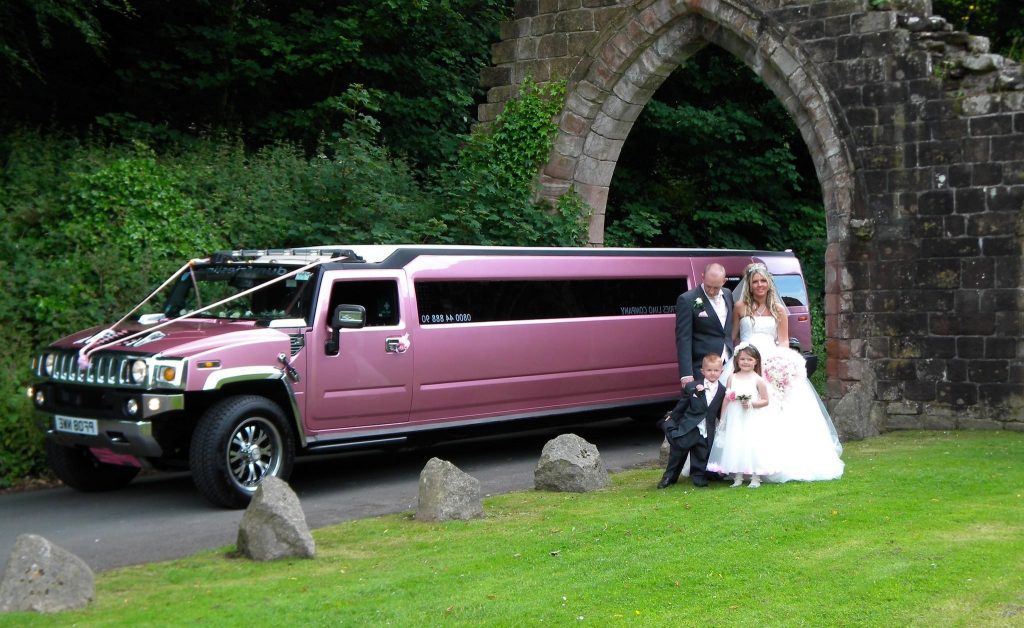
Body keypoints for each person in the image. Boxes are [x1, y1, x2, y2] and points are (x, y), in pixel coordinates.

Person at [731, 263, 844, 482]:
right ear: (749, 284)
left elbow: (783, 340)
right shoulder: (740, 307)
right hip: (745, 361)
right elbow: (733, 336)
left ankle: (775, 461)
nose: (759, 285)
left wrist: (781, 365)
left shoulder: (779, 310)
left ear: (769, 283)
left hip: (770, 361)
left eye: (763, 280)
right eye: (755, 281)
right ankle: (741, 462)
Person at [706, 344, 780, 487]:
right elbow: (727, 398)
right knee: (736, 443)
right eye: (743, 359)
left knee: (751, 444)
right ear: (737, 360)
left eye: (749, 359)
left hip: (751, 417)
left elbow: (765, 400)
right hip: (735, 417)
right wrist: (723, 418)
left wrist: (752, 403)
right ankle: (737, 476)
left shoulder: (758, 380)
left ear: (756, 361)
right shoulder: (732, 378)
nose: (746, 362)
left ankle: (755, 476)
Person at [657, 353, 726, 489]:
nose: (712, 373)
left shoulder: (722, 390)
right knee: (678, 452)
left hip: (707, 429)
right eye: (709, 370)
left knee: (702, 453)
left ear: (721, 371)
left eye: (716, 370)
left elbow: (718, 411)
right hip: (689, 426)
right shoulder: (692, 386)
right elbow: (682, 406)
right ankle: (669, 477)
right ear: (703, 371)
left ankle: (698, 477)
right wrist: (673, 417)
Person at [676, 262, 735, 384]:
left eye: (716, 287)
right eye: (708, 286)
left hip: (728, 363)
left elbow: (726, 329)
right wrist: (686, 374)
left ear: (724, 281)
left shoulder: (728, 294)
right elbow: (683, 338)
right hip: (702, 367)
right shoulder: (687, 299)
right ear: (702, 277)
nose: (712, 291)